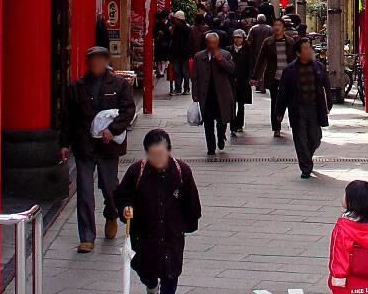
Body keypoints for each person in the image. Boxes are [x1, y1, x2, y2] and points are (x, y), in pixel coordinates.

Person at [59, 46, 135, 253]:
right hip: (84, 143)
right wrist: (64, 143)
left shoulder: (118, 84)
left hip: (107, 145)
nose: (96, 63)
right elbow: (68, 118)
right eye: (92, 60)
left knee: (110, 188)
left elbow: (128, 110)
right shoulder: (77, 87)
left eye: (100, 59)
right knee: (84, 191)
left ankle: (111, 214)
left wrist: (113, 129)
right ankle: (86, 235)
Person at [114, 129, 201, 294]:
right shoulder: (136, 171)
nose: (158, 159)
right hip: (144, 234)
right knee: (146, 271)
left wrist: (187, 224)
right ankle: (151, 286)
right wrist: (126, 207)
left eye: (161, 153)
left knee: (171, 274)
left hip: (171, 234)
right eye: (153, 154)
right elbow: (122, 194)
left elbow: (192, 202)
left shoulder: (182, 171)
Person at [276, 38, 332, 177]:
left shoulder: (319, 68)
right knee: (300, 138)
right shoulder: (290, 71)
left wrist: (328, 104)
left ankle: (307, 156)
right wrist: (279, 111)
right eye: (305, 49)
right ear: (298, 53)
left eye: (309, 48)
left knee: (315, 137)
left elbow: (326, 88)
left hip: (314, 108)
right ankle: (306, 168)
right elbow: (282, 92)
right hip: (298, 109)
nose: (309, 51)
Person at [328, 181, 368, 294]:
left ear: (353, 202)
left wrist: (338, 278)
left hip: (349, 281)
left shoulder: (343, 228)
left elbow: (339, 254)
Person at [192, 33, 236, 156]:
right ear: (206, 44)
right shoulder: (199, 56)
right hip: (206, 96)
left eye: (214, 43)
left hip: (221, 95)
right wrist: (195, 93)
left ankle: (221, 137)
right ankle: (210, 147)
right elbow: (194, 77)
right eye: (209, 43)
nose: (212, 45)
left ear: (217, 43)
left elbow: (232, 70)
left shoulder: (225, 54)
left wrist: (220, 60)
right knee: (208, 123)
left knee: (222, 121)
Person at [252, 18, 295, 137]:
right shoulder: (268, 42)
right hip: (274, 77)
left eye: (279, 25)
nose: (277, 27)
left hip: (288, 78)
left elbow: (295, 60)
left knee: (290, 102)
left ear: (284, 28)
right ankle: (276, 127)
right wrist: (255, 76)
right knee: (275, 103)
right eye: (275, 25)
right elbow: (261, 60)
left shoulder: (290, 42)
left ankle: (292, 124)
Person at [229, 29, 253, 136]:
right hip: (232, 81)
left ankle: (239, 124)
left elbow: (250, 66)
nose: (237, 40)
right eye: (236, 37)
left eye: (239, 38)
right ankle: (233, 126)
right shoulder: (229, 50)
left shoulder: (247, 51)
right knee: (232, 103)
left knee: (241, 103)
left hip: (243, 81)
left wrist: (251, 77)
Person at [169, 10, 193, 96]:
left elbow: (189, 42)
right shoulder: (176, 29)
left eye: (176, 19)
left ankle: (186, 88)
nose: (175, 21)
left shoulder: (187, 29)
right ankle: (178, 88)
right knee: (177, 72)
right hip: (177, 54)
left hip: (184, 54)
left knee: (184, 72)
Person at [153, 12, 171, 78]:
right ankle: (160, 72)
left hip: (162, 43)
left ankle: (161, 72)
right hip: (161, 43)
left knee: (161, 58)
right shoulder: (164, 25)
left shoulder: (167, 25)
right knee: (160, 58)